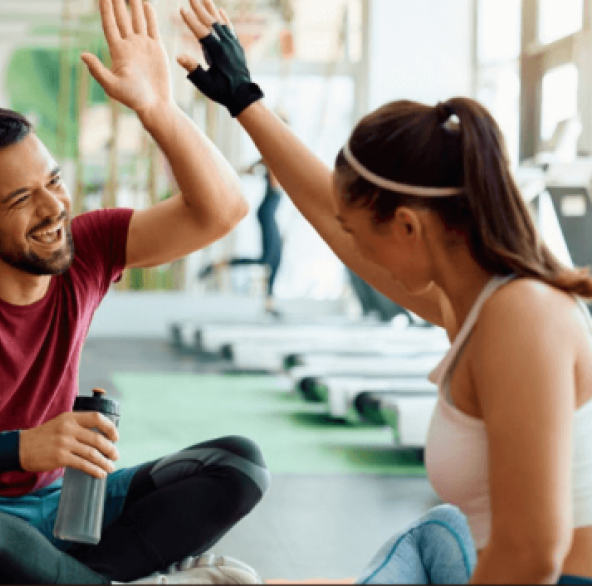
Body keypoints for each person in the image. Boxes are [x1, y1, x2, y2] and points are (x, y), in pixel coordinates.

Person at [0, 0, 272, 583]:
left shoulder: (86, 249)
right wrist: (18, 449)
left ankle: (74, 578)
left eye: (53, 181)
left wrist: (158, 108)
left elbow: (222, 211)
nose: (53, 209)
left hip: (62, 514)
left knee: (237, 464)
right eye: (22, 200)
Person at [174, 0, 592, 582]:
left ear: (408, 226)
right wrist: (246, 102)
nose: (352, 251)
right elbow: (336, 214)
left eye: (359, 232)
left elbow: (532, 557)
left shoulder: (524, 316)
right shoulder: (480, 303)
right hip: (468, 556)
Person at [200, 164, 284, 314]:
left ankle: (269, 303)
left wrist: (253, 169)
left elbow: (255, 167)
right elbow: (267, 163)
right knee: (268, 260)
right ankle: (218, 264)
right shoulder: (275, 167)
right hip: (267, 215)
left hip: (267, 215)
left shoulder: (273, 166)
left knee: (274, 259)